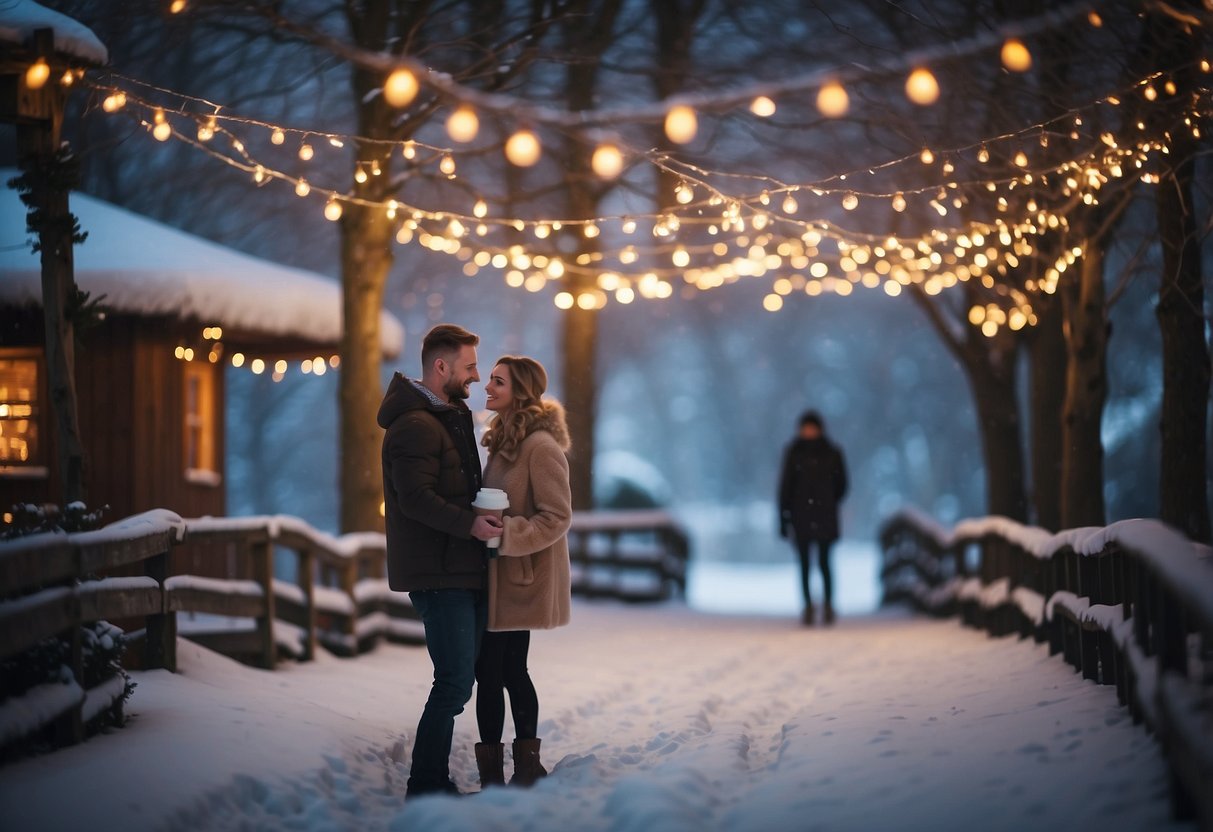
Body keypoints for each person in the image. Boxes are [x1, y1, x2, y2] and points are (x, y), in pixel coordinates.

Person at [378, 323, 504, 798]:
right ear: (441, 366)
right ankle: (426, 783)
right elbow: (414, 499)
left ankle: (429, 779)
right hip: (439, 572)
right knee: (453, 682)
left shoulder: (445, 417)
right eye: (470, 367)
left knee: (458, 679)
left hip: (459, 566)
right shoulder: (415, 425)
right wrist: (470, 524)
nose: (476, 376)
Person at [473, 356, 572, 789]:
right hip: (496, 578)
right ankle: (496, 773)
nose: (488, 387)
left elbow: (557, 517)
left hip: (521, 578)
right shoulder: (501, 441)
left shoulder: (540, 447)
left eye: (498, 382)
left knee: (506, 671)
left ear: (521, 392)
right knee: (492, 672)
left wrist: (505, 533)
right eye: (490, 379)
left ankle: (524, 767)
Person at [778, 410, 848, 627]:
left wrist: (827, 499)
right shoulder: (793, 452)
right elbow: (785, 487)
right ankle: (808, 605)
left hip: (824, 515)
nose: (808, 432)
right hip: (801, 517)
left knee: (825, 562)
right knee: (805, 564)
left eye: (812, 427)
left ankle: (827, 604)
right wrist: (784, 517)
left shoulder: (832, 452)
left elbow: (842, 484)